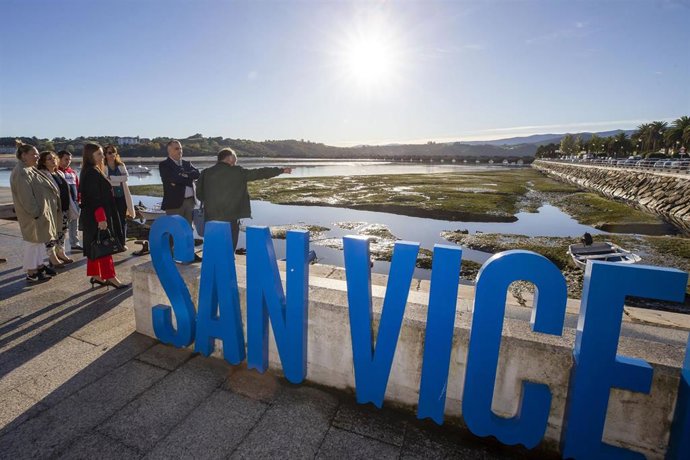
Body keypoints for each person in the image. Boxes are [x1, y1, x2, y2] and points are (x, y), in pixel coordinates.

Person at [196, 148, 292, 251]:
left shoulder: (205, 172)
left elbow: (200, 195)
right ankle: (227, 265)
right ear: (230, 158)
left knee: (213, 246)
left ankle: (211, 266)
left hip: (211, 217)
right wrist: (281, 170)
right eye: (235, 157)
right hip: (231, 217)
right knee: (229, 248)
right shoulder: (237, 171)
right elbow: (259, 173)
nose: (236, 160)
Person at [79, 142, 128, 289]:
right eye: (99, 154)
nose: (102, 156)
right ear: (90, 155)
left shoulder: (90, 170)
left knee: (95, 244)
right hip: (97, 215)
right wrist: (101, 218)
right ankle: (111, 277)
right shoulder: (92, 172)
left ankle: (96, 276)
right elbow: (94, 198)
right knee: (105, 244)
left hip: (92, 215)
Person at [10, 140, 59, 282]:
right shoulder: (21, 172)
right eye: (34, 154)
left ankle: (38, 266)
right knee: (32, 243)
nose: (37, 157)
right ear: (24, 155)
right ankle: (31, 272)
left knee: (38, 241)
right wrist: (36, 213)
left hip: (39, 214)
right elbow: (26, 196)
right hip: (33, 216)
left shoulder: (29, 168)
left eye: (37, 154)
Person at [36, 151, 73, 265]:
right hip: (52, 209)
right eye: (49, 159)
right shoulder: (41, 175)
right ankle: (52, 256)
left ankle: (60, 252)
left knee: (62, 232)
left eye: (54, 158)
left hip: (64, 208)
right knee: (51, 234)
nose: (53, 160)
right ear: (43, 162)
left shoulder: (59, 173)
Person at [159, 140, 199, 224]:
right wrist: (189, 178)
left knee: (188, 229)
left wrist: (184, 175)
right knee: (175, 230)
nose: (180, 151)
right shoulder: (164, 165)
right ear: (169, 150)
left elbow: (197, 174)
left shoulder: (187, 163)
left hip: (190, 202)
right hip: (174, 204)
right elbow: (174, 179)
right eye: (177, 149)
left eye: (181, 148)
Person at [104, 145, 134, 249]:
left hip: (121, 196)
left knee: (122, 219)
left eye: (113, 152)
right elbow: (105, 180)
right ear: (105, 154)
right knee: (111, 220)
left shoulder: (121, 165)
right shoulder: (103, 166)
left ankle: (122, 241)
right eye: (109, 152)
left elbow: (126, 178)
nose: (111, 155)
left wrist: (112, 178)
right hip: (110, 197)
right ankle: (113, 241)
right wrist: (117, 179)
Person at [58, 150, 82, 251]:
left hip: (75, 202)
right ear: (59, 159)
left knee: (74, 224)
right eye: (66, 159)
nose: (68, 161)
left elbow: (77, 186)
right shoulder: (56, 172)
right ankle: (59, 247)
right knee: (62, 226)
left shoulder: (72, 172)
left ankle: (75, 243)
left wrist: (79, 199)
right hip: (63, 203)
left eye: (70, 160)